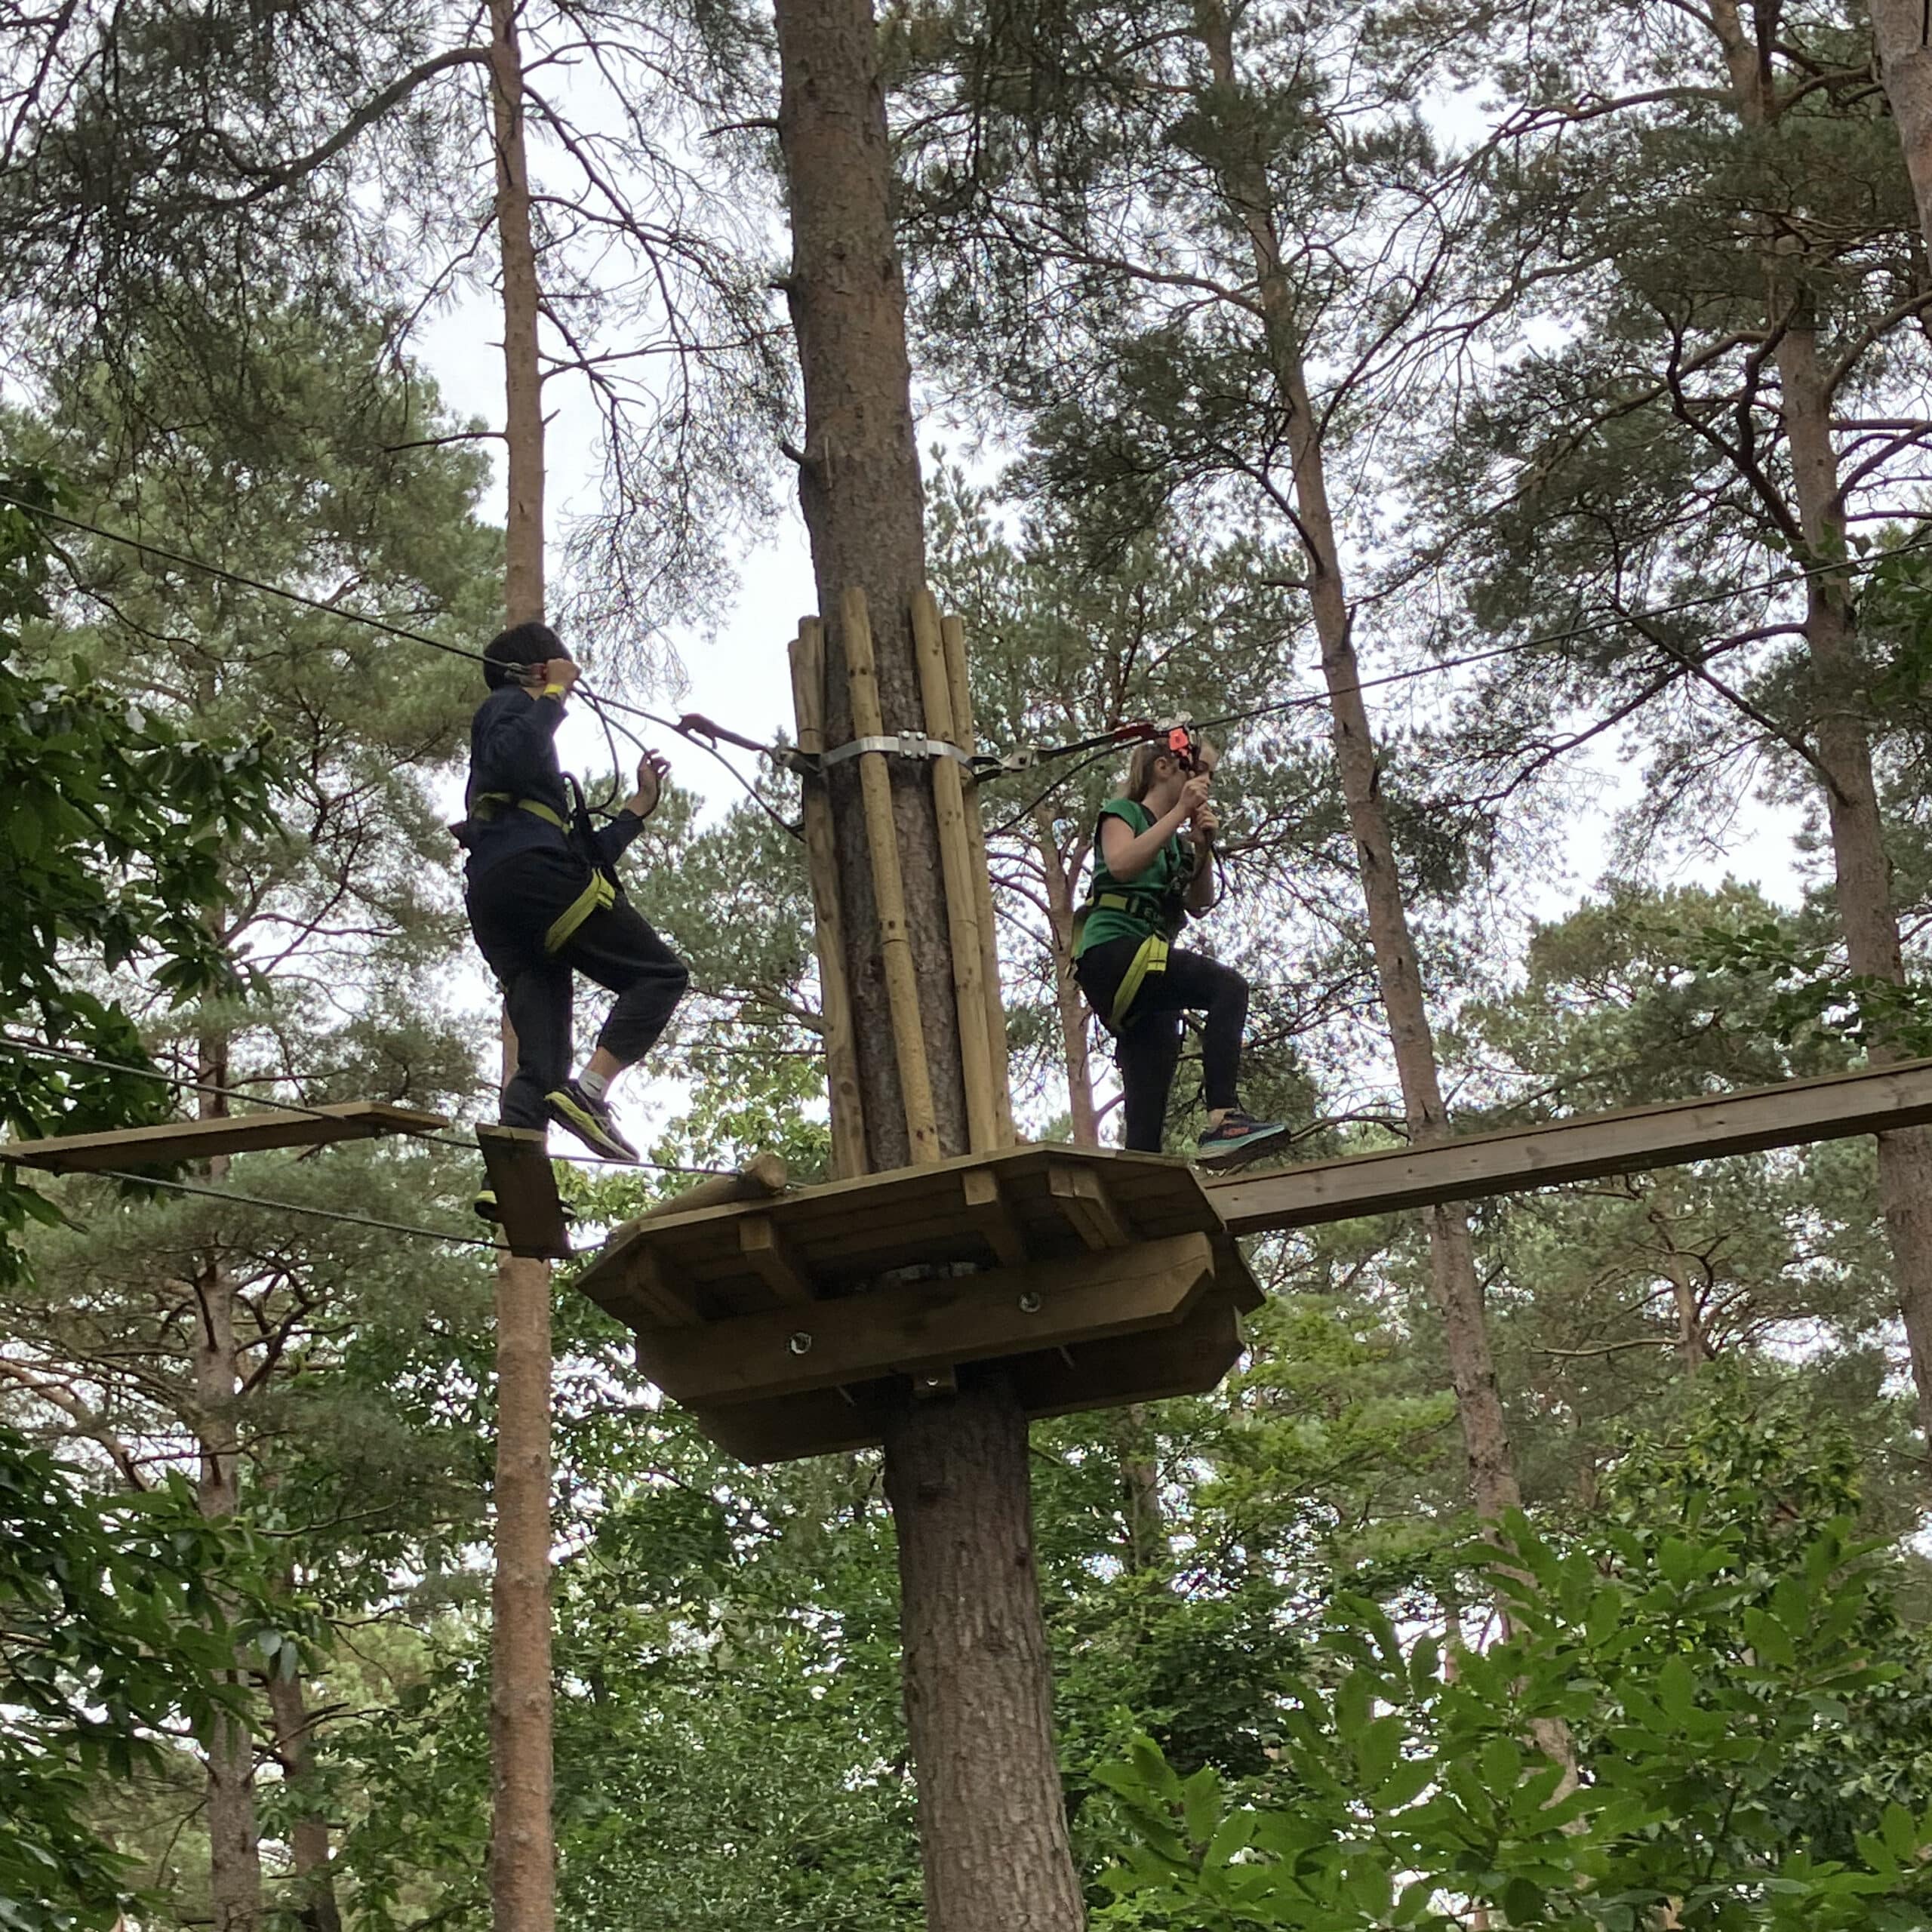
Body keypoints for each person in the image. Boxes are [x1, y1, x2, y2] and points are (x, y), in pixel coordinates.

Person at [458, 620, 689, 1192]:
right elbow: (513, 756)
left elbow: (580, 855)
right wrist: (554, 694)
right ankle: (588, 1093)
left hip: (505, 899)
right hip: (533, 879)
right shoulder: (507, 707)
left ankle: (507, 1180)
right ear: (538, 669)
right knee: (660, 976)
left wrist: (635, 810)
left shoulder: (515, 793)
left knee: (542, 1057)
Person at [1072, 726, 1286, 1164]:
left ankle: (1139, 1178)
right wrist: (1180, 814)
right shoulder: (1123, 813)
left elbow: (1199, 902)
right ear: (1165, 767)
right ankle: (1223, 1117)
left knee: (1152, 1077)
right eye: (1199, 771)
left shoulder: (1174, 843)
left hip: (1143, 967)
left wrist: (1202, 847)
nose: (1205, 783)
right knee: (1227, 988)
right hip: (1114, 951)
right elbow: (1122, 864)